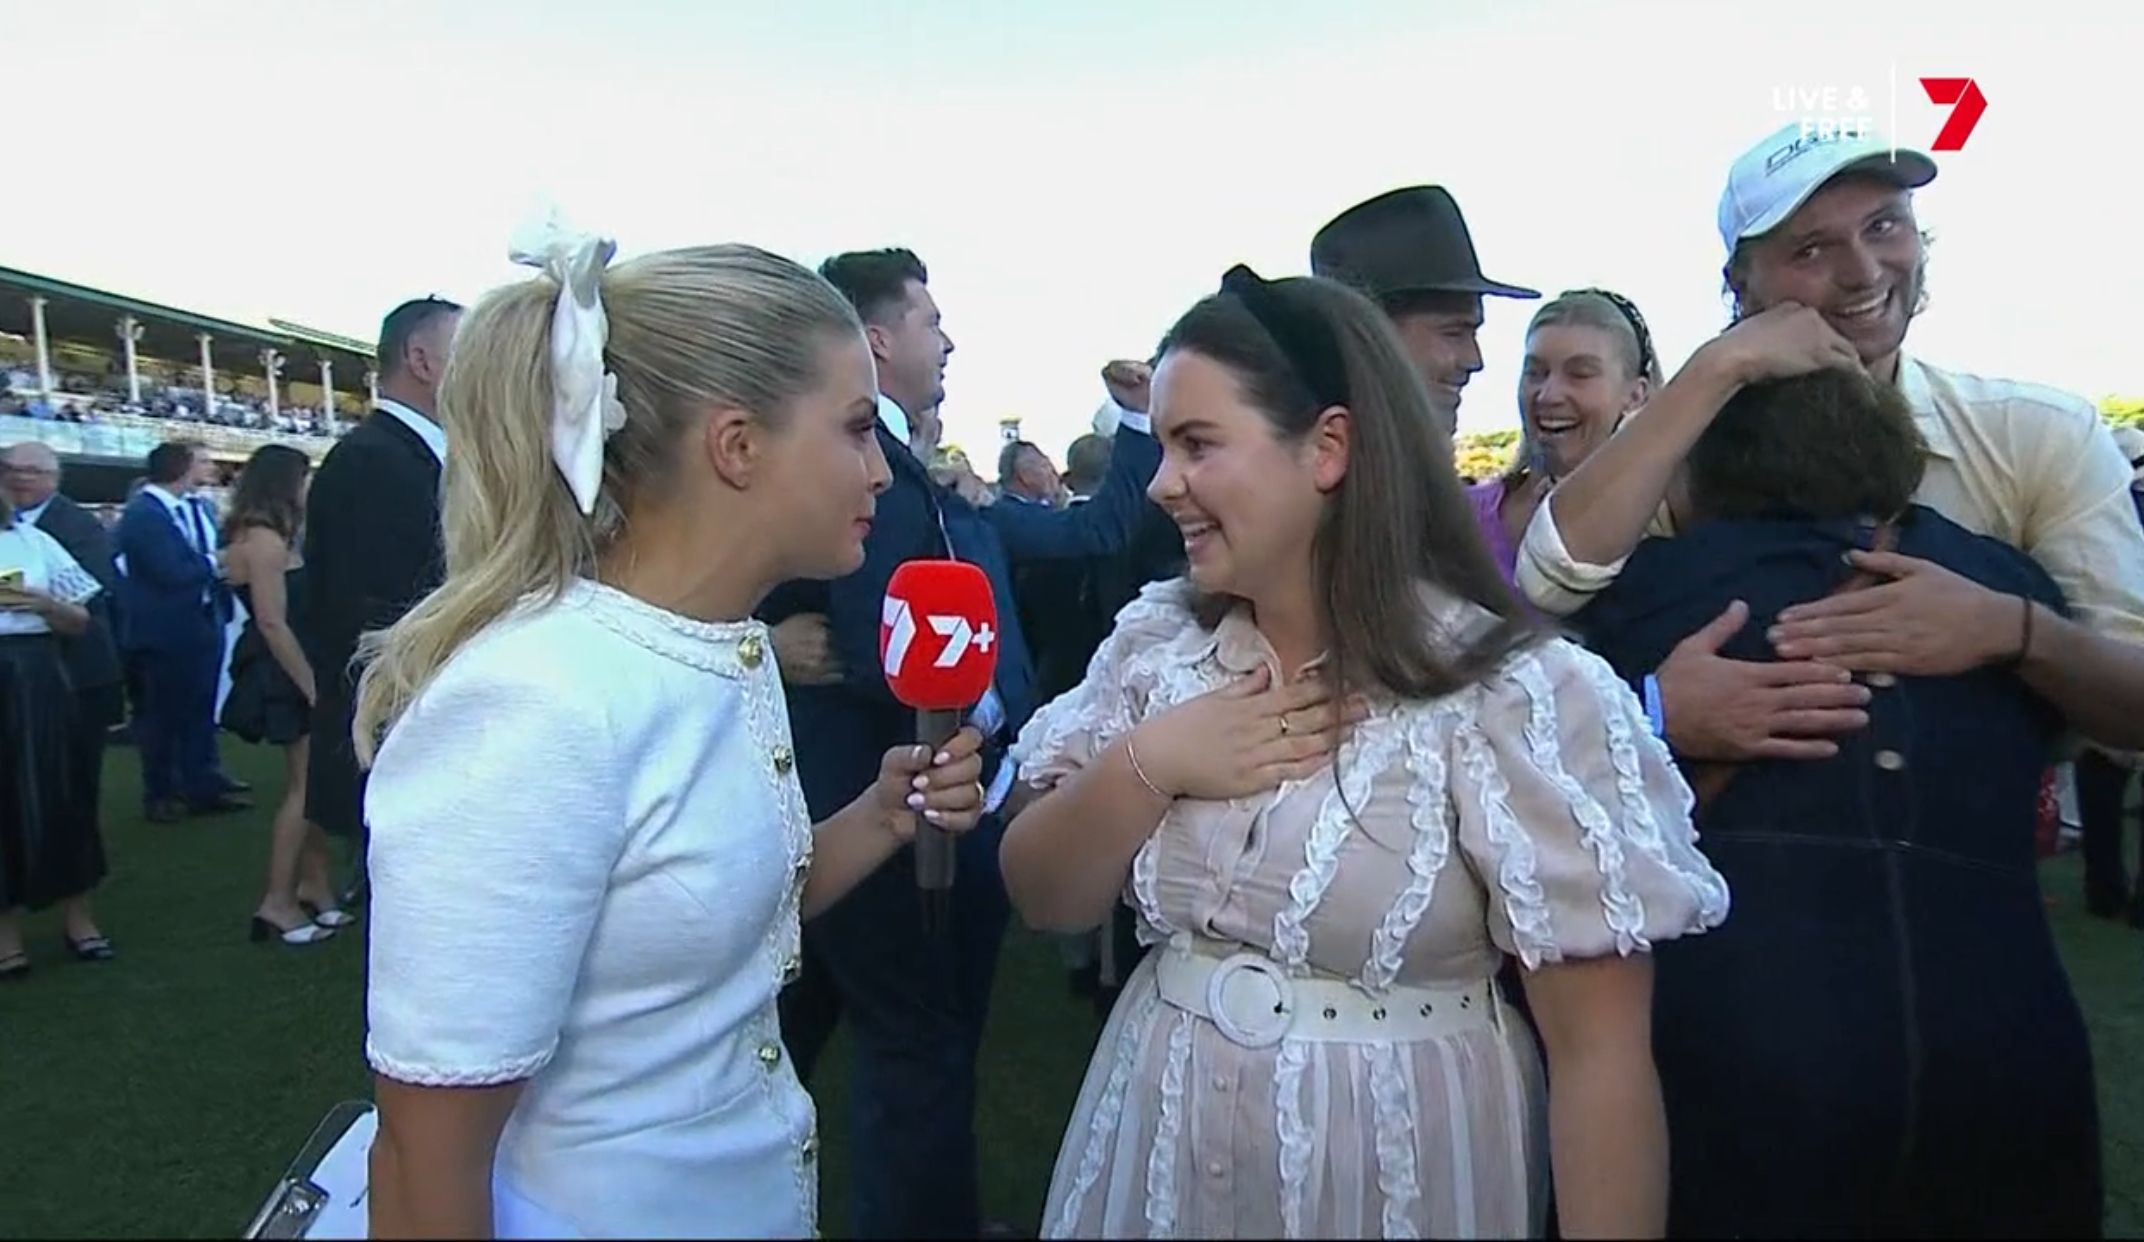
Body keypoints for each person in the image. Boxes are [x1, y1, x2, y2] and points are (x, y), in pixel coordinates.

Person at [1001, 265, 1729, 1238]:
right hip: (1159, 1143)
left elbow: (1600, 1061)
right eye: (1164, 446)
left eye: (1197, 444)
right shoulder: (1157, 647)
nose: (1163, 483)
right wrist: (1147, 763)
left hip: (1399, 1176)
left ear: (1328, 448)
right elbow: (1045, 898)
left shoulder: (1514, 694)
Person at [354, 227, 990, 1239]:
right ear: (737, 446)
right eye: (856, 428)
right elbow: (425, 1156)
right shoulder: (532, 702)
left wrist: (882, 813)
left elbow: (710, 916)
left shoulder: (720, 650)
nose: (881, 469)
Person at [1572, 368, 2102, 1236]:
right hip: (2008, 1044)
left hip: (1740, 1054)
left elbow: (1527, 770)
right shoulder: (2005, 586)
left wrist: (1654, 708)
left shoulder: (1649, 594)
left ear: (1702, 467)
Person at [1515, 122, 2144, 762]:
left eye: (1883, 226)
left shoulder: (2038, 433)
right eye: (1811, 250)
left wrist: (2015, 630)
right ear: (1741, 285)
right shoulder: (1676, 441)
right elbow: (1551, 580)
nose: (1863, 272)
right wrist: (1718, 365)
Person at [760, 248, 1164, 1239]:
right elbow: (872, 639)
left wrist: (1135, 422)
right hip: (892, 808)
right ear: (877, 338)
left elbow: (1089, 534)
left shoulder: (945, 488)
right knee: (916, 1045)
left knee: (858, 1037)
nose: (949, 342)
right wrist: (769, 645)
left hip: (928, 802)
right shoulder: (864, 483)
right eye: (931, 321)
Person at [305, 295, 462, 899]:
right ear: (421, 360)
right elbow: (381, 618)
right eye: (469, 351)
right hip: (405, 735)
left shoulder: (413, 456)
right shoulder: (372, 462)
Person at [218, 443, 347, 946]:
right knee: (304, 788)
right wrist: (313, 689)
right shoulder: (264, 541)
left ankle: (315, 886)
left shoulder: (271, 536)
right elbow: (272, 623)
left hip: (294, 660)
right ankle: (277, 902)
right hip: (285, 668)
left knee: (310, 783)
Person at [1, 442, 122, 963]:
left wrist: (44, 604)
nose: (15, 481)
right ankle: (6, 936)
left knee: (63, 792)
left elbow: (81, 618)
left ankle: (79, 918)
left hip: (39, 672)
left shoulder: (36, 541)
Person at [1310, 184, 1541, 442]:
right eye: (1453, 333)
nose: (1474, 360)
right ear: (1371, 335)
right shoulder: (1299, 461)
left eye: (1473, 333)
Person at [1472, 289, 1662, 587]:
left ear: (1636, 395)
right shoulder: (1460, 518)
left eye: (1580, 374)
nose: (1548, 395)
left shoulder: (1672, 527)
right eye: (1535, 372)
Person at [115, 440, 244, 822]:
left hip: (203, 619)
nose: (211, 467)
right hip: (164, 631)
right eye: (203, 461)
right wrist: (218, 562)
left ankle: (203, 782)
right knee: (163, 716)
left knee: (199, 709)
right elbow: (170, 572)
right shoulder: (144, 514)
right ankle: (162, 792)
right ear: (182, 467)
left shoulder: (197, 506)